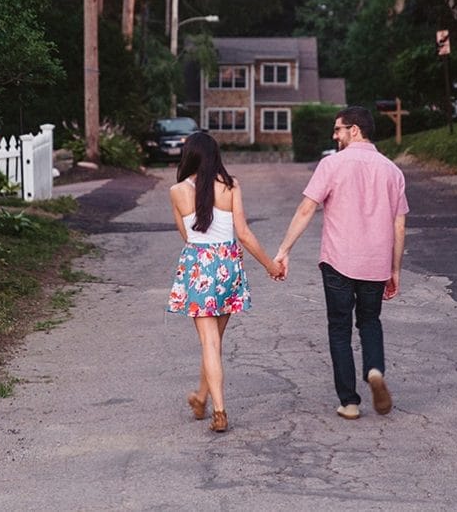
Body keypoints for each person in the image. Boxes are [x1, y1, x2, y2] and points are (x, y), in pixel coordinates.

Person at [272, 105, 408, 420]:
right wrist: (395, 269)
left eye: (338, 129)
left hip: (338, 261)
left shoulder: (332, 164)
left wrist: (284, 249)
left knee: (339, 328)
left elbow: (307, 209)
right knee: (370, 322)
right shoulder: (392, 171)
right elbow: (399, 225)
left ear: (354, 129)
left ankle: (349, 402)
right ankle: (374, 370)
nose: (334, 136)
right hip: (376, 263)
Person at [166, 131, 281, 433]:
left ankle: (219, 410)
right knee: (214, 342)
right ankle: (201, 397)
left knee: (209, 342)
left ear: (188, 156)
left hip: (199, 267)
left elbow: (186, 236)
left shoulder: (177, 191)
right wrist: (270, 265)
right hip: (228, 266)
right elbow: (243, 233)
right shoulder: (231, 186)